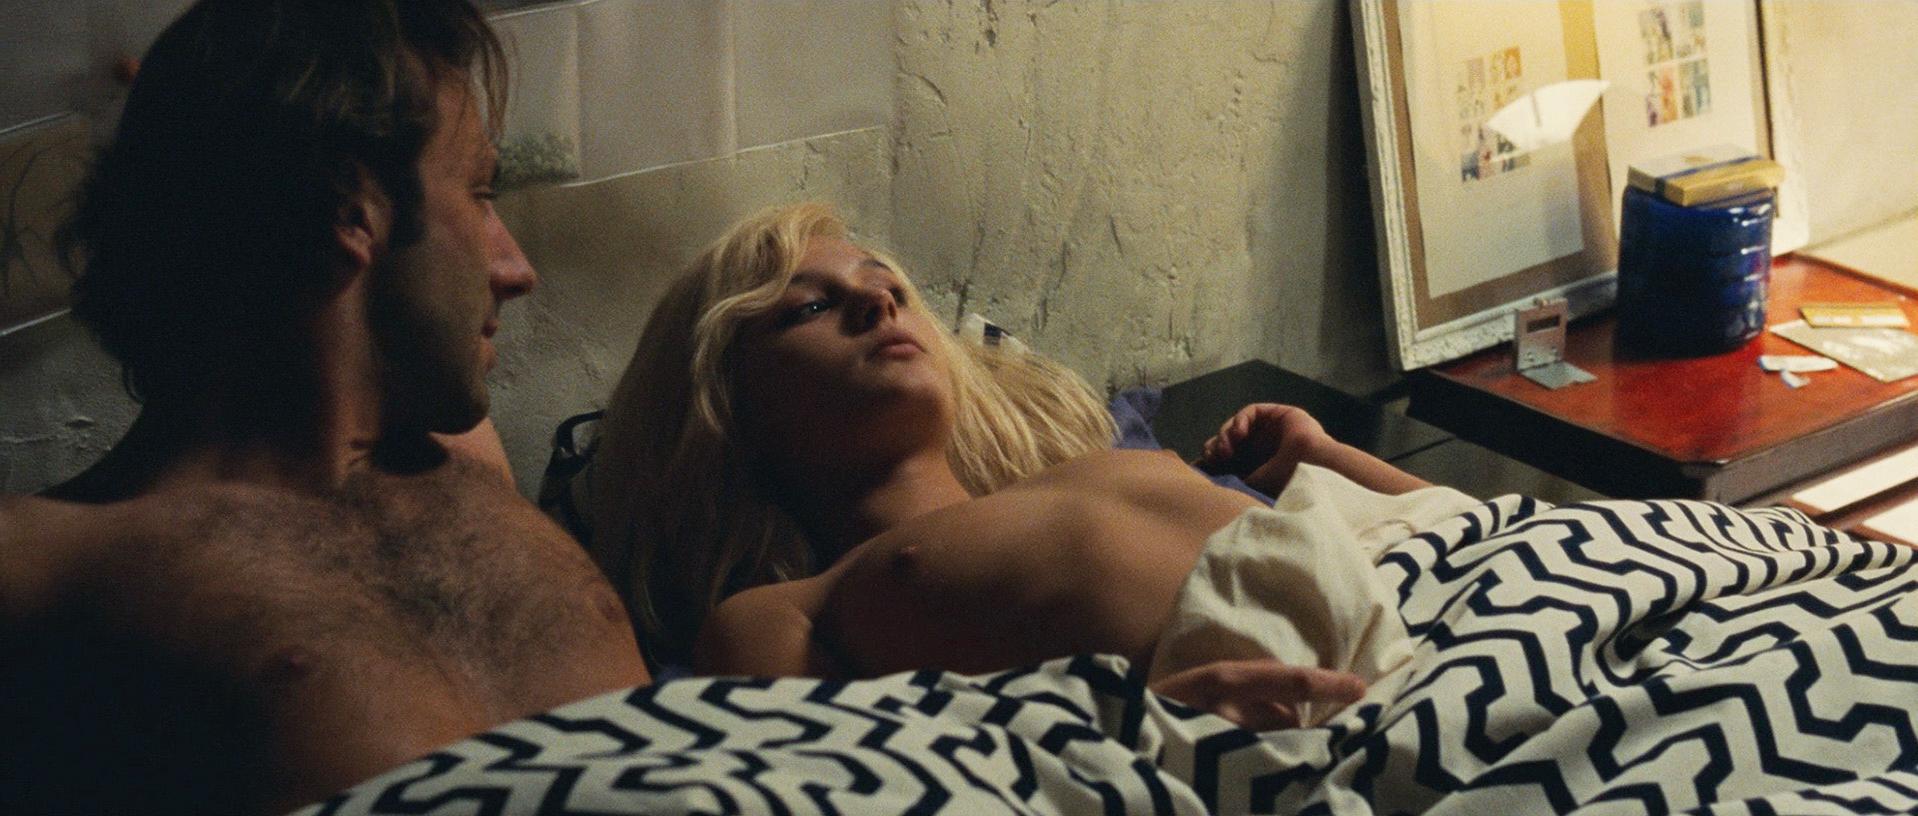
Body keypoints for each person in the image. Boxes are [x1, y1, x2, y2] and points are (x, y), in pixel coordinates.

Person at [0, 1, 648, 812]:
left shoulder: (467, 455)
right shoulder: (42, 564)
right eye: (480, 194)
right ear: (350, 207)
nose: (516, 271)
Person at [588, 202, 1456, 726]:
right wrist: (1136, 732)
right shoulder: (786, 610)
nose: (876, 299)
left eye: (886, 282)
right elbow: (859, 779)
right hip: (1265, 736)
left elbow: (1454, 535)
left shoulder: (1098, 467)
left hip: (1429, 645)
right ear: (729, 411)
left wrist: (1326, 459)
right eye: (810, 307)